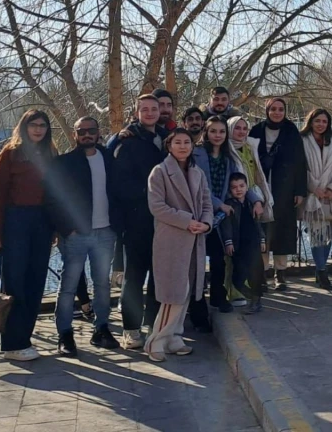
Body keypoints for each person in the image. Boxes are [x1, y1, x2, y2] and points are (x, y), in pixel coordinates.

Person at [45, 117, 121, 357]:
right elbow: (54, 198)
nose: (87, 135)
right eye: (82, 131)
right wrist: (67, 227)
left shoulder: (110, 159)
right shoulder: (64, 163)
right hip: (76, 234)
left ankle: (101, 329)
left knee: (102, 284)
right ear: (75, 134)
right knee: (68, 286)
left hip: (105, 231)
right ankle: (65, 334)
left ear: (99, 133)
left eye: (91, 131)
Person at [0, 110, 56, 361]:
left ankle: (25, 339)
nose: (38, 129)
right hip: (15, 222)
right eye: (33, 125)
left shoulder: (49, 154)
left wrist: (53, 228)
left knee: (36, 282)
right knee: (15, 283)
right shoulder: (10, 154)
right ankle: (13, 344)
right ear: (23, 127)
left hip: (42, 223)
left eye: (43, 126)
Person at [144, 129, 213, 362]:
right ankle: (155, 340)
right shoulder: (160, 172)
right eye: (178, 142)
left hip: (195, 239)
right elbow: (157, 207)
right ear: (169, 145)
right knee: (173, 293)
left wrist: (205, 223)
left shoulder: (197, 172)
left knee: (187, 290)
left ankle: (174, 336)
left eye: (187, 142)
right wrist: (187, 221)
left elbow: (206, 202)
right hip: (171, 239)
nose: (183, 146)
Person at [193, 116, 265, 313]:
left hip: (223, 216)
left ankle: (219, 296)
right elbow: (200, 187)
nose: (217, 135)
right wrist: (219, 204)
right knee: (197, 260)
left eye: (221, 131)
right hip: (201, 211)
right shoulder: (196, 154)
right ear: (206, 133)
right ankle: (195, 302)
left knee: (219, 259)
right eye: (213, 131)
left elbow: (239, 183)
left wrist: (256, 200)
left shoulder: (229, 157)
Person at [112, 94, 168, 347]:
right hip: (137, 218)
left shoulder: (165, 138)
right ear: (136, 112)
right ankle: (131, 329)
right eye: (144, 109)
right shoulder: (129, 141)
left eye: (153, 109)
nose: (149, 113)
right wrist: (149, 193)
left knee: (159, 273)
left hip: (163, 219)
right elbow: (120, 183)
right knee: (134, 275)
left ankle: (153, 323)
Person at [250, 98, 308, 291]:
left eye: (280, 109)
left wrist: (300, 190)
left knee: (283, 230)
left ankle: (280, 273)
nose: (276, 112)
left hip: (285, 188)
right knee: (264, 230)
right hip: (261, 186)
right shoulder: (256, 130)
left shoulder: (291, 132)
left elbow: (301, 163)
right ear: (267, 111)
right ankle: (263, 272)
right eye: (273, 109)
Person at [299, 109, 332, 289]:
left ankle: (321, 269)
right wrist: (314, 187)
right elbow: (299, 166)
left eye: (324, 121)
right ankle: (321, 270)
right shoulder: (302, 141)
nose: (321, 124)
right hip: (312, 195)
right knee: (316, 234)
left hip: (331, 195)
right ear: (310, 121)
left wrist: (331, 188)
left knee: (328, 235)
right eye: (317, 121)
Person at [226, 115, 274, 279]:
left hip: (251, 200)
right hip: (233, 202)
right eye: (237, 128)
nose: (241, 132)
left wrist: (258, 199)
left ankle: (255, 283)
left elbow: (256, 176)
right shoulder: (226, 149)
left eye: (244, 128)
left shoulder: (249, 147)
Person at [220, 173, 266, 314]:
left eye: (241, 186)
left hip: (253, 243)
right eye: (234, 187)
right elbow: (226, 225)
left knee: (255, 273)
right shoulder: (229, 205)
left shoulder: (252, 203)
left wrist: (262, 239)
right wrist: (228, 242)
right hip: (238, 245)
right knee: (238, 277)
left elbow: (258, 223)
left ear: (247, 187)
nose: (238, 190)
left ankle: (256, 300)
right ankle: (252, 296)